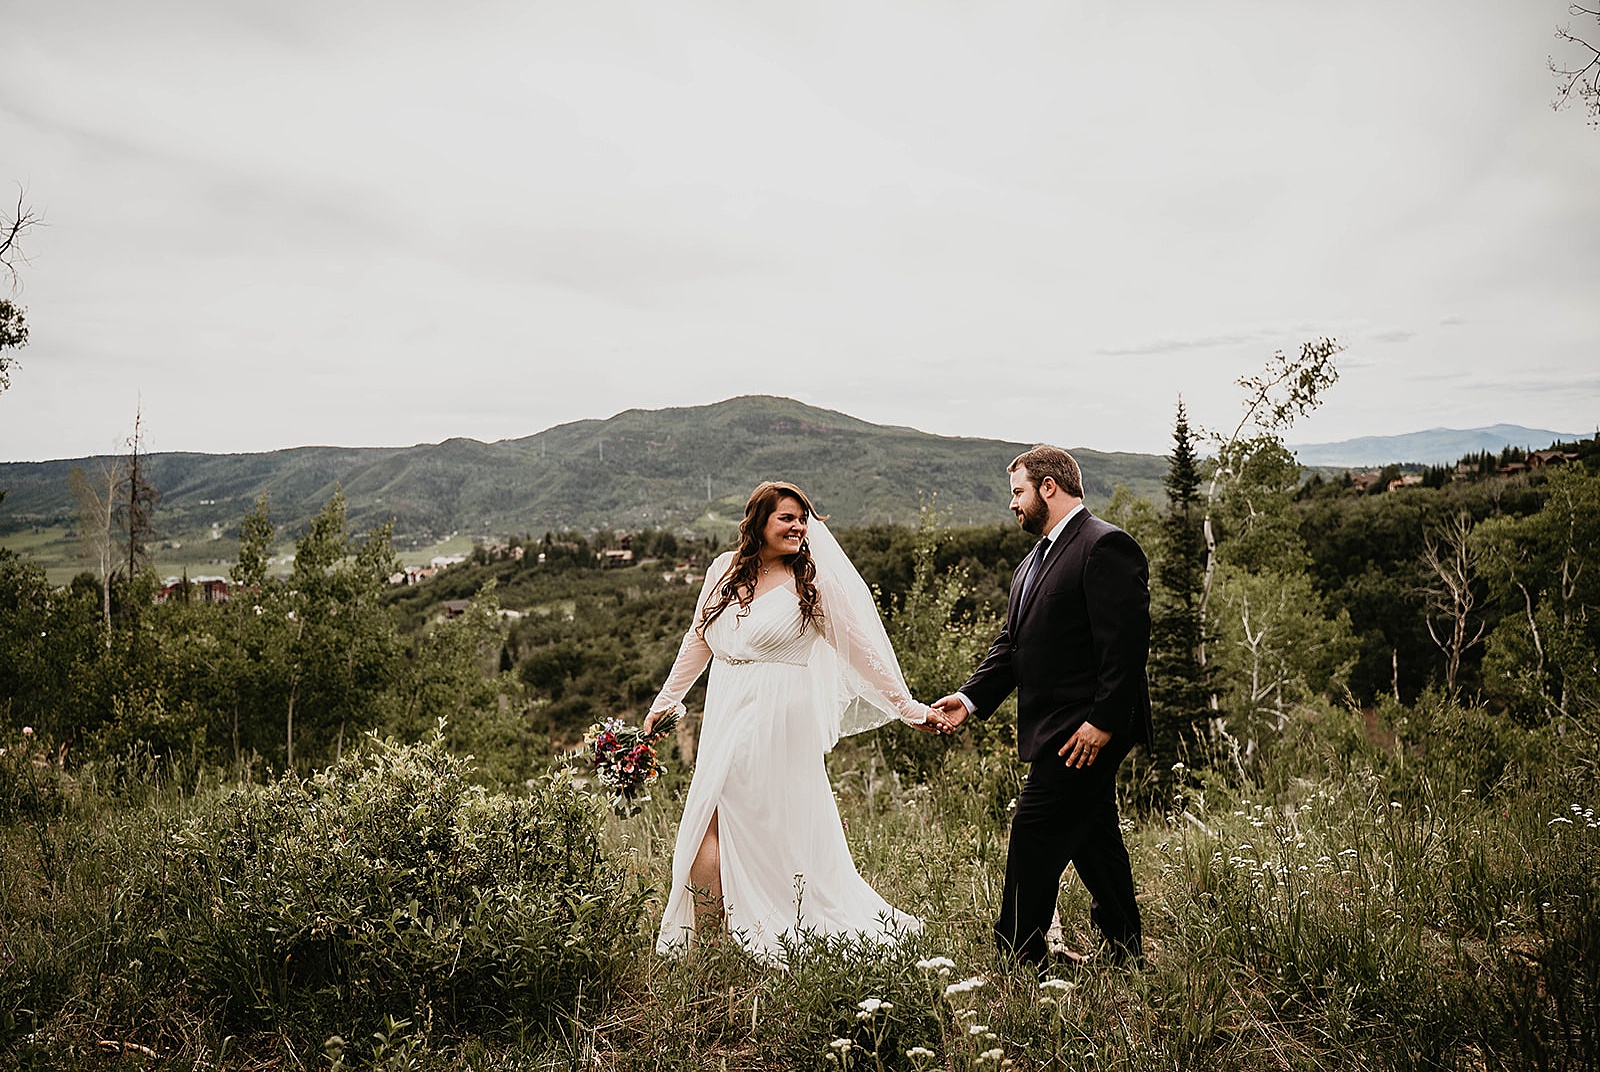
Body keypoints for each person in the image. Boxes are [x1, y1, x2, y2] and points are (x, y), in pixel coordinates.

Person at [643, 481, 933, 959]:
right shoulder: (722, 570)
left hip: (779, 725)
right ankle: (713, 945)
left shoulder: (810, 583)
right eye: (787, 518)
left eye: (803, 519)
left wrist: (907, 707)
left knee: (773, 831)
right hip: (725, 716)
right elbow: (698, 640)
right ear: (759, 522)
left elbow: (860, 652)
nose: (799, 527)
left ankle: (773, 922)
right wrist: (665, 700)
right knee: (704, 827)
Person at [931, 445, 1153, 967]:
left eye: (1018, 492)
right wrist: (969, 699)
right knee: (1094, 836)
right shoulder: (1032, 562)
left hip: (1087, 729)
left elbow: (1127, 645)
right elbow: (1012, 646)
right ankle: (1126, 951)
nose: (1012, 505)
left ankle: (1020, 955)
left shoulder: (1105, 546)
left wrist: (1102, 721)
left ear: (1048, 488)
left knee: (1034, 829)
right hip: (1056, 726)